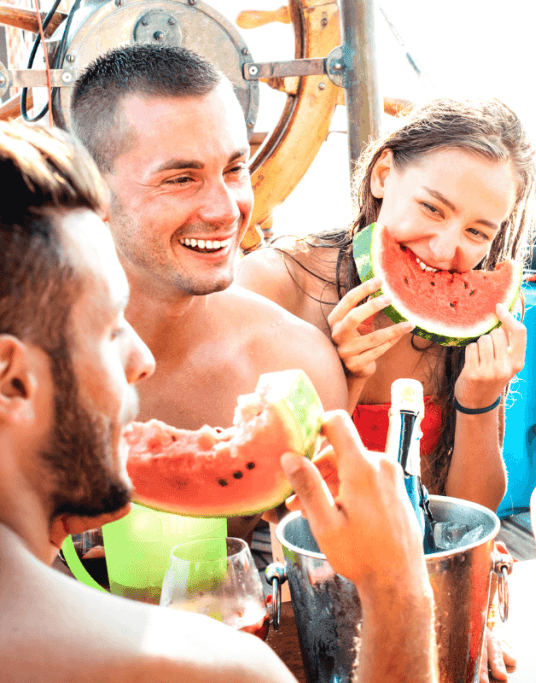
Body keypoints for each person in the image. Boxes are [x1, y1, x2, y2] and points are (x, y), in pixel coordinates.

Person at [0, 121, 437, 683]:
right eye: (110, 329)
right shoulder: (212, 669)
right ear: (12, 381)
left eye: (236, 168)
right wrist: (401, 594)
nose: (142, 358)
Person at [68, 44, 348, 541]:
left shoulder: (299, 363)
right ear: (92, 192)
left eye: (236, 169)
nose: (226, 209)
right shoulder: (20, 370)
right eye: (181, 178)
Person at [236, 97, 536, 513]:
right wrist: (343, 379)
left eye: (476, 232)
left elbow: (470, 512)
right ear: (382, 175)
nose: (443, 248)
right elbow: (260, 508)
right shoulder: (275, 283)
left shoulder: (488, 316)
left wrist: (479, 397)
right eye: (432, 208)